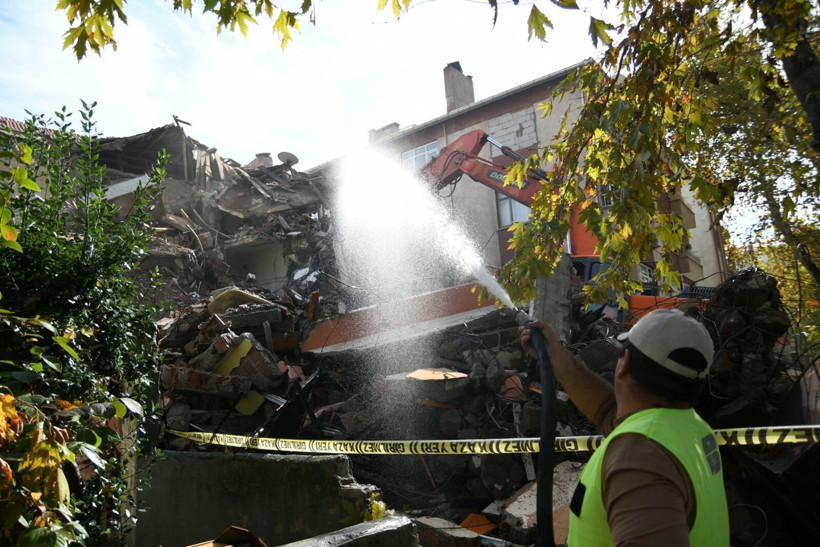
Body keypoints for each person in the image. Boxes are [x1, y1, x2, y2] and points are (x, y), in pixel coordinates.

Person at [520, 308, 729, 546]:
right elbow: (606, 409)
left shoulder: (640, 457)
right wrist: (554, 353)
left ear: (624, 363)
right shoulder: (686, 428)